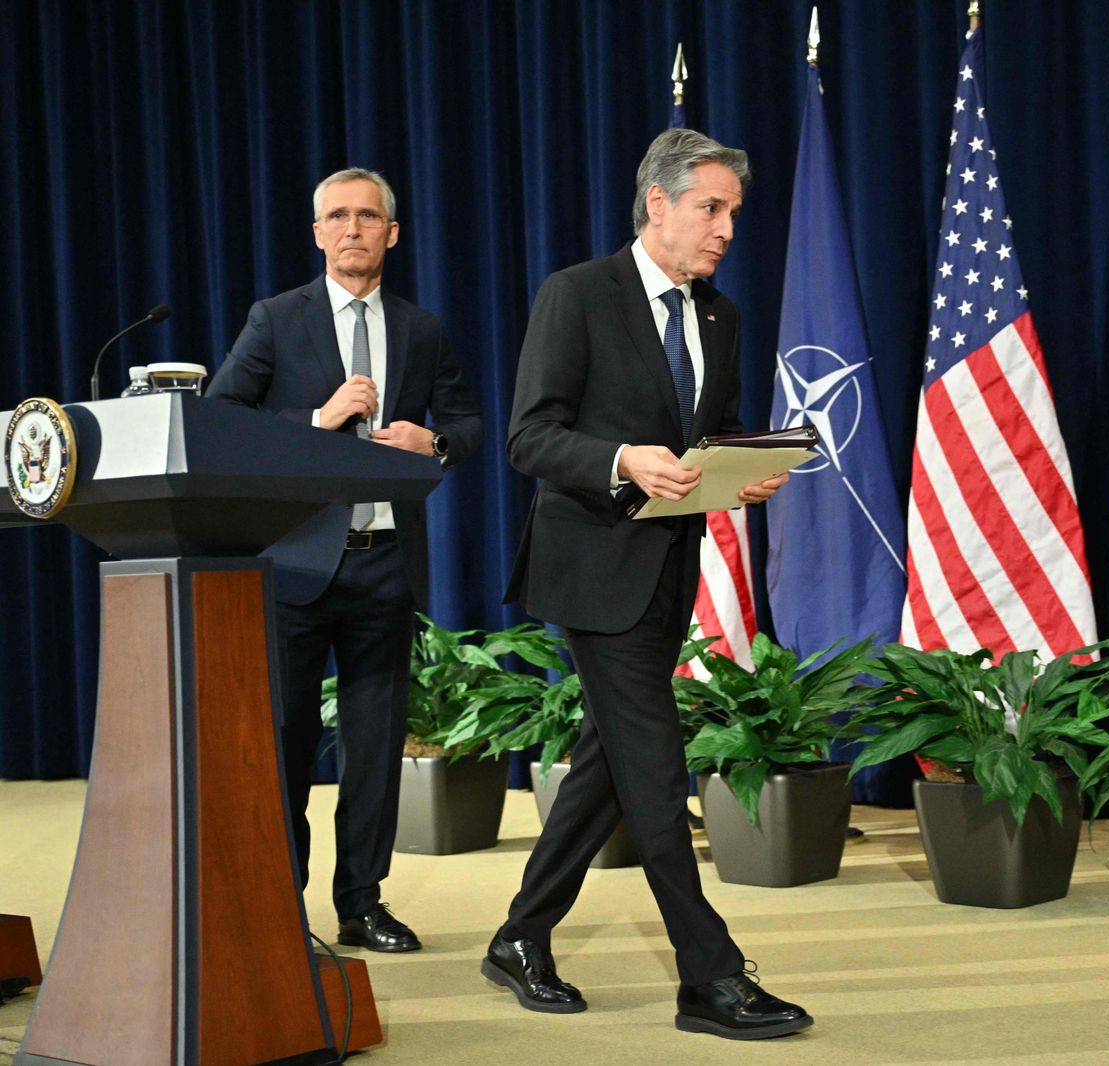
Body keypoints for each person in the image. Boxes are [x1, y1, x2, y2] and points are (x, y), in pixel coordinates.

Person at [493, 128, 810, 1040]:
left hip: (670, 568)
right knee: (654, 768)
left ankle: (521, 936)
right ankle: (707, 977)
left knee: (604, 768)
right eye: (711, 209)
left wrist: (742, 469)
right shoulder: (578, 294)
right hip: (591, 570)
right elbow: (530, 436)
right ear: (658, 204)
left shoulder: (721, 315)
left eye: (734, 215)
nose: (726, 230)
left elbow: (716, 428)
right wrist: (623, 458)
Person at [208, 167, 483, 953]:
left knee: (374, 748)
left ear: (391, 234)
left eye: (369, 217)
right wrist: (317, 419)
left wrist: (431, 441)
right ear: (319, 232)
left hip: (384, 565)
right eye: (339, 216)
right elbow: (223, 418)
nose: (354, 228)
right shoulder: (275, 319)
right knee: (286, 743)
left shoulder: (421, 328)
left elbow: (464, 421)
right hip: (296, 564)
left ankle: (362, 903)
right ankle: (279, 906)